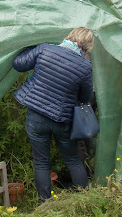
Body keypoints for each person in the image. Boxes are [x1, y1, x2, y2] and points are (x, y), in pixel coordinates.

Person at [12, 27, 94, 201]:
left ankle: (44, 203)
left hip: (36, 115)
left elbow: (18, 64)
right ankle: (84, 200)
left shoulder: (45, 49)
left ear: (70, 36)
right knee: (73, 160)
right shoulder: (85, 67)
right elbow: (85, 98)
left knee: (41, 162)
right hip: (62, 119)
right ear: (86, 46)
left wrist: (31, 47)